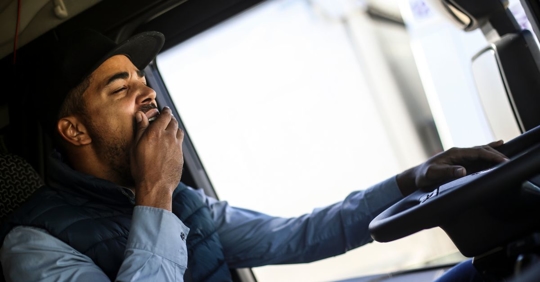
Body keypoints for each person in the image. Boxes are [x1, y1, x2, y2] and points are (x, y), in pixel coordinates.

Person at [0, 29, 507, 281]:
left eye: (142, 77)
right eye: (121, 87)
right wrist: (154, 193)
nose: (148, 92)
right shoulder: (33, 244)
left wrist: (410, 181)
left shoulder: (187, 204)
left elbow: (301, 235)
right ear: (74, 129)